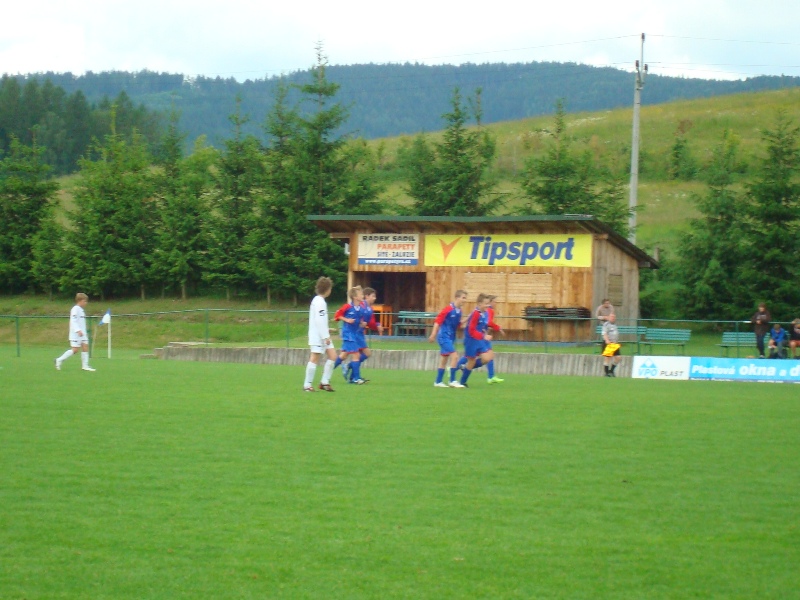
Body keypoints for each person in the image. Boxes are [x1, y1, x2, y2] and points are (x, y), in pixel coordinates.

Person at [455, 294, 504, 383]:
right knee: (472, 361)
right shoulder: (476, 314)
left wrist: (485, 333)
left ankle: (462, 368)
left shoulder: (484, 313)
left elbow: (482, 326)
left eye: (488, 303)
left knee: (487, 358)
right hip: (471, 341)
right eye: (486, 304)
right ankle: (462, 382)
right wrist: (483, 336)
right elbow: (471, 330)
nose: (488, 306)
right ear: (479, 304)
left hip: (479, 340)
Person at [428, 290, 468, 388]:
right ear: (457, 297)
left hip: (451, 337)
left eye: (465, 298)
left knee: (444, 359)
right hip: (444, 336)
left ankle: (438, 382)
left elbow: (457, 325)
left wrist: (467, 319)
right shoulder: (448, 309)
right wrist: (433, 334)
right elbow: (438, 321)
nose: (465, 300)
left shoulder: (459, 312)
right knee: (454, 356)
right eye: (463, 298)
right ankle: (452, 380)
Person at [303, 276, 337, 392]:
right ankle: (307, 385)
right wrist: (325, 336)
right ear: (327, 289)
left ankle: (324, 382)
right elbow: (319, 320)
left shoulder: (319, 301)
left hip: (322, 334)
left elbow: (320, 320)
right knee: (314, 358)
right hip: (318, 336)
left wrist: (328, 330)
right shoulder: (319, 302)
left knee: (333, 356)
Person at [347, 287, 383, 383]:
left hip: (360, 333)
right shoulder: (362, 306)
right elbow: (356, 315)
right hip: (356, 333)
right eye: (373, 296)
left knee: (360, 355)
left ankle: (353, 377)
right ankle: (353, 372)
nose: (374, 298)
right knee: (365, 354)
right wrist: (360, 321)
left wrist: (378, 325)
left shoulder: (369, 308)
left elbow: (371, 322)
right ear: (367, 296)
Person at [333, 286, 367, 385]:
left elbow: (359, 320)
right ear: (355, 297)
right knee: (356, 354)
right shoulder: (347, 307)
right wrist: (347, 320)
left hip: (354, 334)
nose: (362, 296)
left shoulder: (361, 308)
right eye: (361, 294)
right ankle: (356, 378)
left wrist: (362, 323)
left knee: (343, 355)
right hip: (348, 334)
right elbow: (337, 316)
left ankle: (327, 371)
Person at [54, 292, 96, 372]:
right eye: (84, 301)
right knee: (75, 350)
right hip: (76, 334)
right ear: (80, 301)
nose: (86, 303)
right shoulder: (75, 309)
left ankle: (85, 366)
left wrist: (83, 331)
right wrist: (78, 330)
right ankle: (59, 360)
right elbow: (73, 321)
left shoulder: (81, 310)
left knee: (85, 346)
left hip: (82, 333)